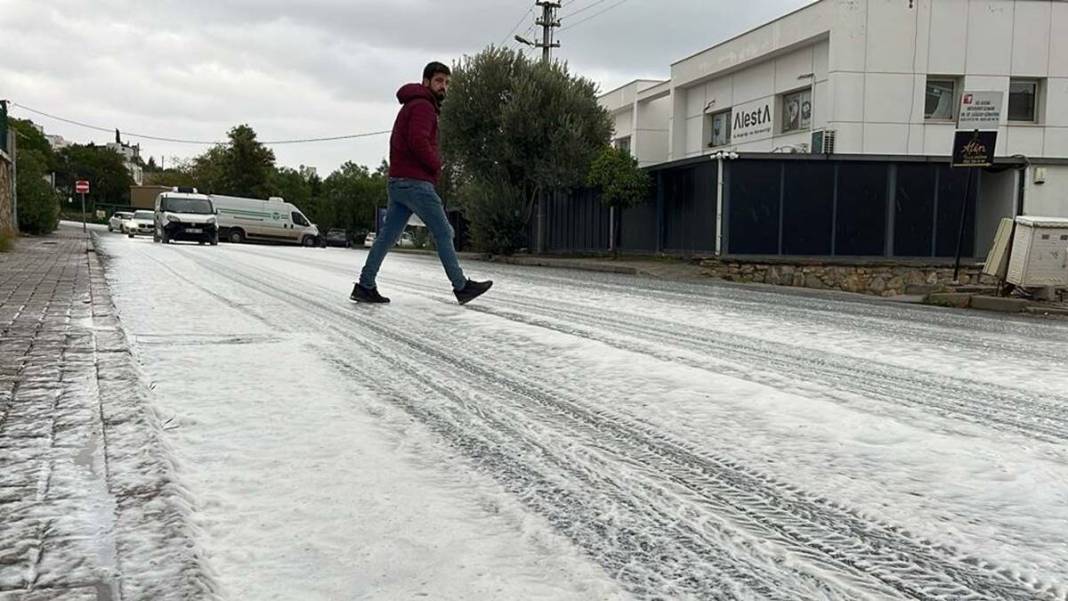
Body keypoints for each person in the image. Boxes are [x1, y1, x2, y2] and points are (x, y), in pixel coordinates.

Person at [352, 62, 493, 305]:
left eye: (447, 83)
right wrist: (436, 164)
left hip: (398, 182)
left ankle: (365, 286)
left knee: (386, 237)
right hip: (415, 182)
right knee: (444, 231)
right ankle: (461, 286)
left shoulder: (413, 104)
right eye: (439, 81)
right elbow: (418, 141)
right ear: (426, 81)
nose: (444, 87)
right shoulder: (423, 107)